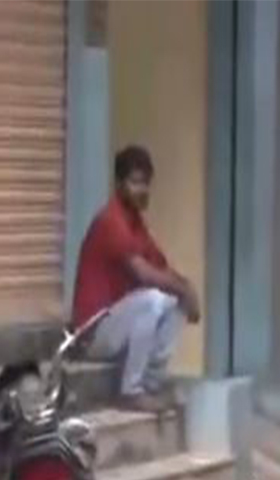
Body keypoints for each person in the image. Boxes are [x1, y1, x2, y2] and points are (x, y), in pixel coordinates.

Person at [72, 145, 200, 405]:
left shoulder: (136, 223)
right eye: (135, 182)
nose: (142, 190)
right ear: (119, 184)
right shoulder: (111, 221)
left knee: (175, 300)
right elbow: (144, 274)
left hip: (117, 326)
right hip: (92, 333)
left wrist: (187, 289)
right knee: (154, 298)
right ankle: (131, 390)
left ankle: (152, 383)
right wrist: (183, 288)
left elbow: (161, 269)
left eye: (146, 183)